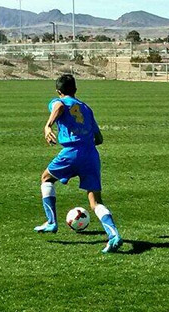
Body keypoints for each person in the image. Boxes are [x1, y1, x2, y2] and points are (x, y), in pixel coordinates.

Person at [36, 74, 122, 253]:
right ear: (75, 89)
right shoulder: (86, 108)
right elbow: (99, 138)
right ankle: (114, 235)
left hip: (71, 152)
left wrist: (48, 126)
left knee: (46, 178)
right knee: (95, 201)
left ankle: (52, 222)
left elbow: (59, 106)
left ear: (58, 91)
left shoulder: (58, 101)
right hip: (91, 154)